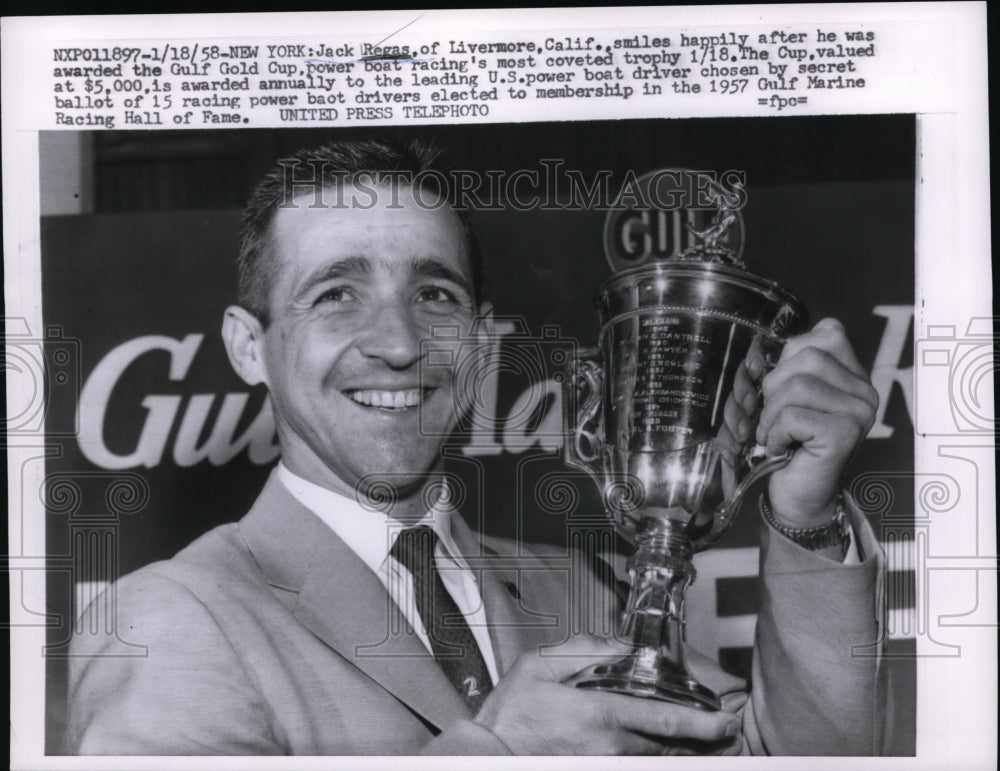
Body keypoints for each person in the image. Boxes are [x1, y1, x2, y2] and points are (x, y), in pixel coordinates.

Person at [68, 139, 890, 755]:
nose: (396, 341)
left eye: (435, 293)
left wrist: (807, 513)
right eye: (336, 294)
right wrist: (493, 757)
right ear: (250, 346)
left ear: (480, 337)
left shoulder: (589, 590)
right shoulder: (172, 616)